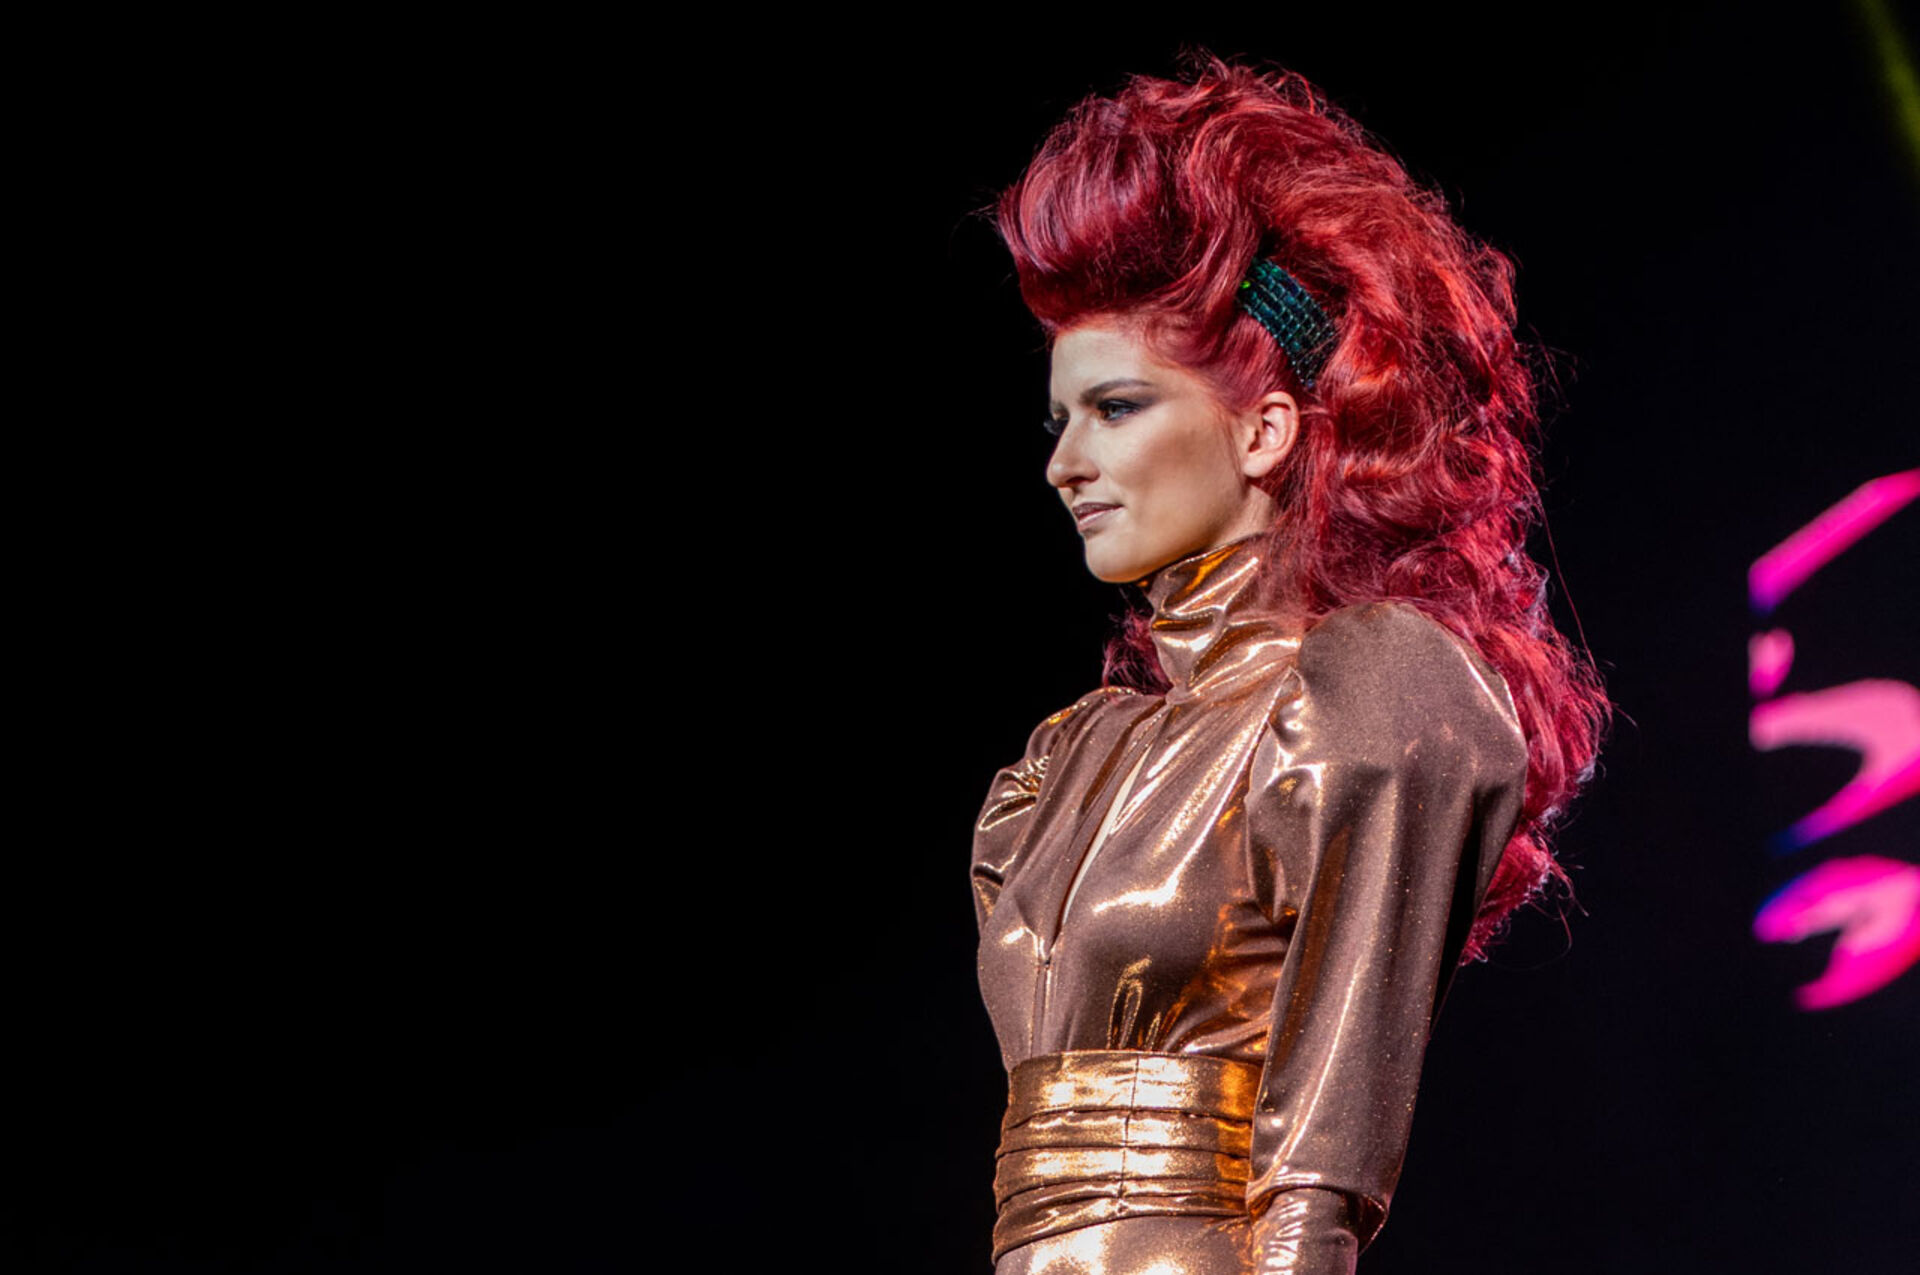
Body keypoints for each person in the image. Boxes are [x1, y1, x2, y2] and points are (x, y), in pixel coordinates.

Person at [970, 56, 1609, 1275]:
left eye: (1115, 408)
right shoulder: (1070, 759)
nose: (1064, 463)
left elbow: (1325, 1162)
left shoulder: (1363, 694)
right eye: (1060, 420)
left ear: (1264, 432)